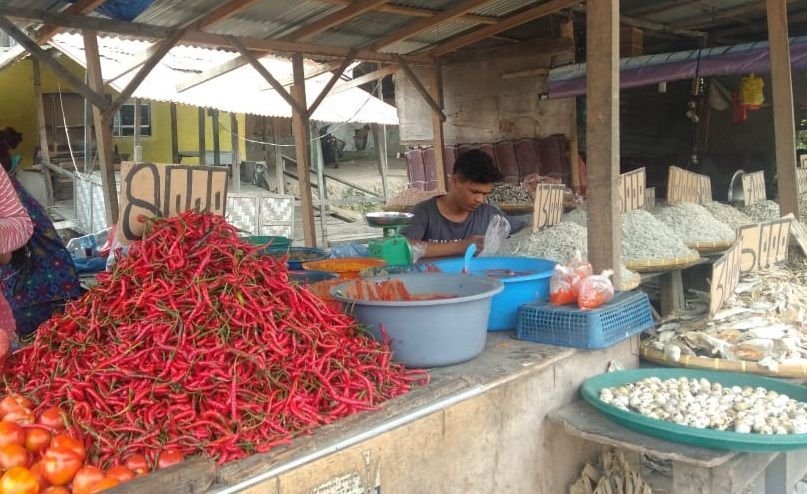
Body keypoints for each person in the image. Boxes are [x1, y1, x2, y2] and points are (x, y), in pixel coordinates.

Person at [0, 127, 82, 337]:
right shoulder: (12, 187)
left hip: (38, 293)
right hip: (54, 284)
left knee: (44, 351)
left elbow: (6, 253)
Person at [402, 149, 526, 258]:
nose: (480, 199)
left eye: (485, 194)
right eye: (475, 192)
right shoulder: (424, 213)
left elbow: (528, 229)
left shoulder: (488, 214)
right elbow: (402, 248)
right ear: (455, 181)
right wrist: (461, 246)